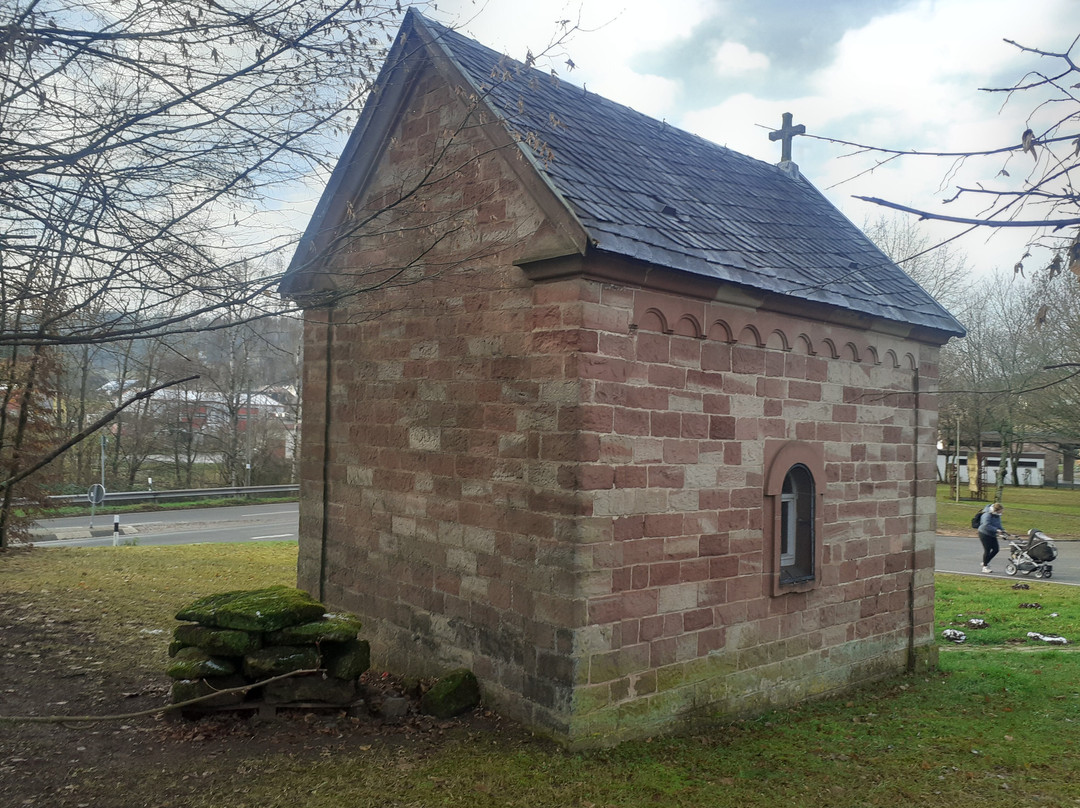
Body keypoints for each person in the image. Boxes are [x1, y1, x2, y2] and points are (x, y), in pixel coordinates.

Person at [977, 502, 1005, 573]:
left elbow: (998, 524)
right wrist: (996, 530)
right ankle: (985, 567)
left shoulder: (997, 515)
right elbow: (986, 525)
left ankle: (985, 561)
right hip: (984, 533)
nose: (1001, 512)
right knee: (987, 550)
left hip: (992, 534)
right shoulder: (987, 515)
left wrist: (1002, 530)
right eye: (1000, 511)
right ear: (996, 510)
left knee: (996, 549)